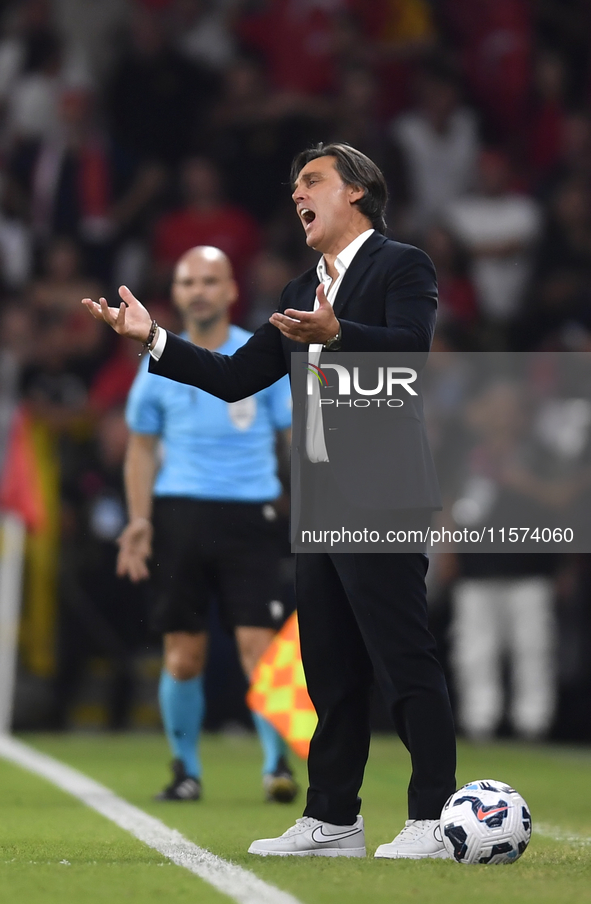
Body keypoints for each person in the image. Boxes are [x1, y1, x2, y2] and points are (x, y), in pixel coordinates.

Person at [83, 142, 457, 859]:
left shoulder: (401, 264)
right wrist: (152, 339)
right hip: (318, 502)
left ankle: (433, 817)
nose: (297, 195)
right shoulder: (295, 290)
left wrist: (338, 332)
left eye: (311, 181)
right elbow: (231, 378)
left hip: (382, 495)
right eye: (292, 187)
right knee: (328, 668)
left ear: (357, 192)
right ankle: (331, 820)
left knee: (400, 658)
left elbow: (411, 348)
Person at [117, 245, 297, 803]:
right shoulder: (155, 365)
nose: (198, 290)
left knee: (260, 647)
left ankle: (278, 766)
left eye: (210, 281)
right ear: (175, 292)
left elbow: (294, 438)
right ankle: (185, 771)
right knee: (182, 655)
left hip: (252, 514)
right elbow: (141, 450)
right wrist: (140, 520)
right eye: (188, 281)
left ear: (230, 290)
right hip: (179, 517)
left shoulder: (258, 357)